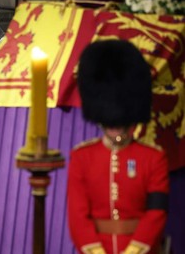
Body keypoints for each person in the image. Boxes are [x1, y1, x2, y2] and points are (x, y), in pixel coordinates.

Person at [68, 40, 169, 254]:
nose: (115, 128)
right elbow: (77, 215)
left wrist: (133, 251)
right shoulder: (82, 157)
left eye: (119, 123)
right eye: (110, 123)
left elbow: (156, 212)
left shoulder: (153, 158)